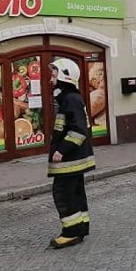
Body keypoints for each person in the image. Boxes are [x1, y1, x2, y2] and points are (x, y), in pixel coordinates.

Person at [47, 58, 95, 249]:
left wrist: (61, 150)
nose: (51, 78)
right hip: (74, 158)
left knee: (63, 193)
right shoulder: (68, 98)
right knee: (75, 192)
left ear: (64, 76)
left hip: (70, 159)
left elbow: (78, 130)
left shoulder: (70, 99)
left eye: (54, 74)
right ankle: (81, 226)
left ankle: (71, 232)